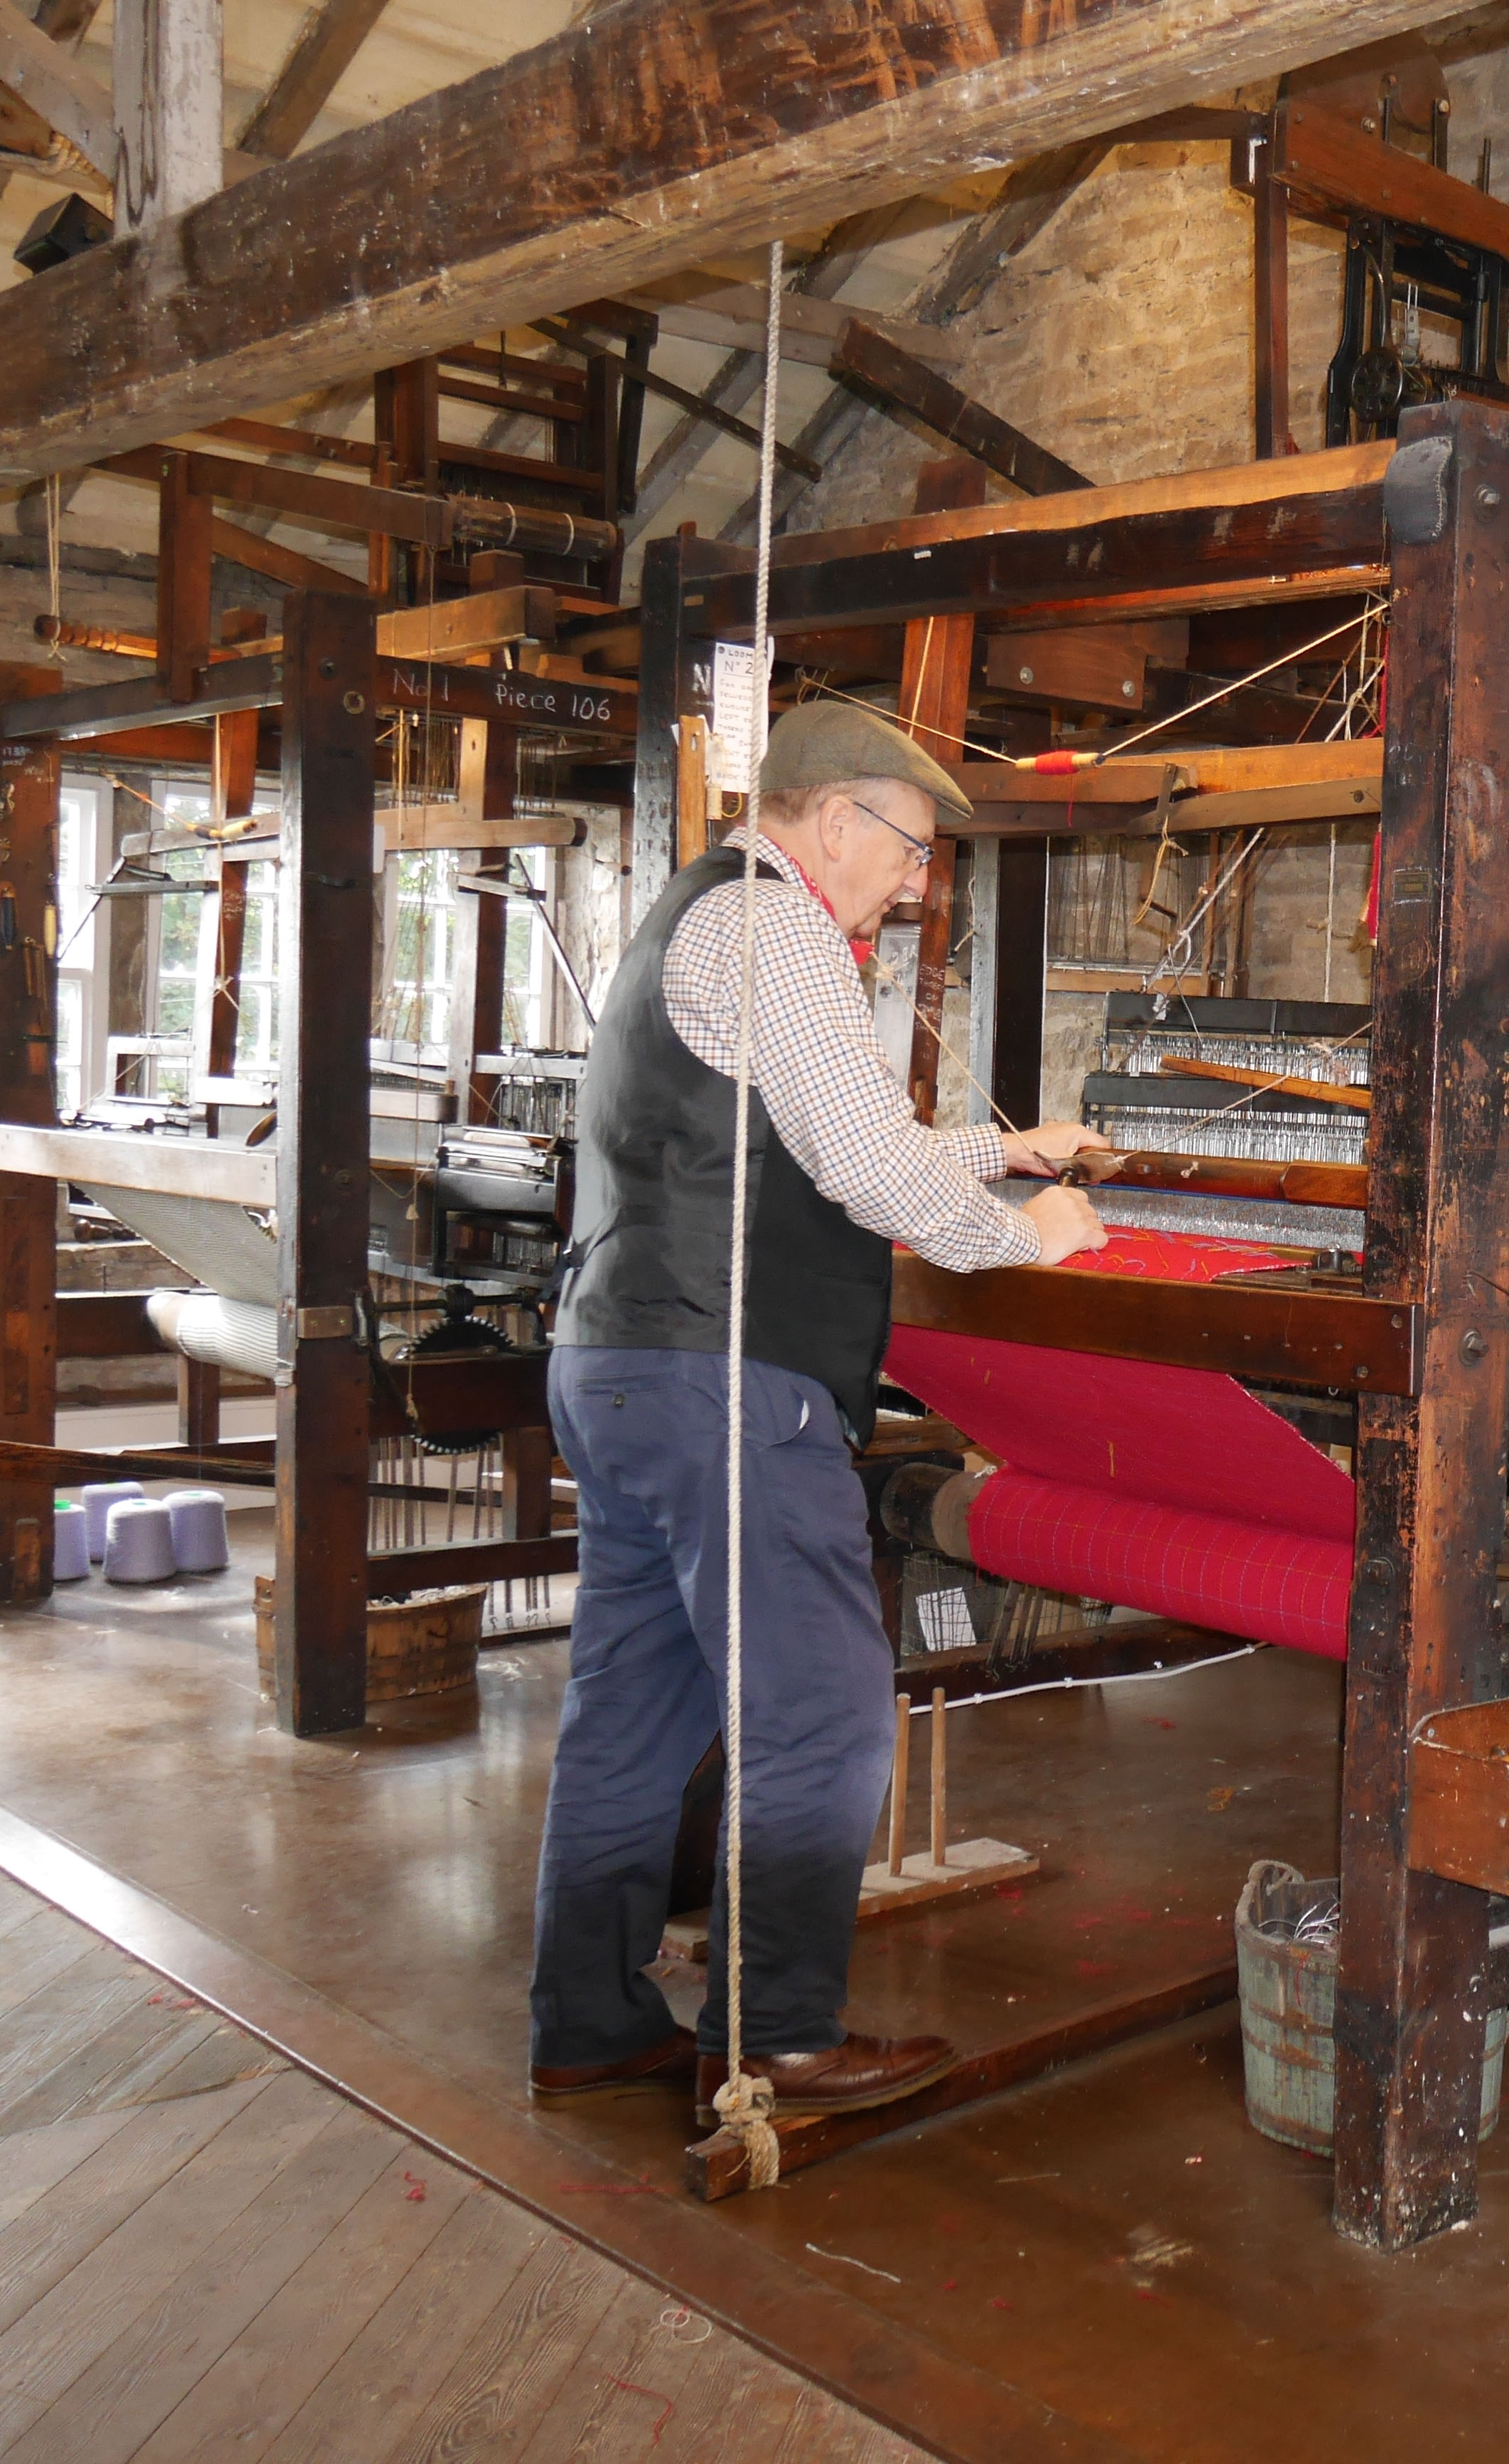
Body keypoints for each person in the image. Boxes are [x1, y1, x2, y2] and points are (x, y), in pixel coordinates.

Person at [525, 703, 1108, 2124]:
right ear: (834, 818)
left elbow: (798, 1121)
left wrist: (1003, 1148)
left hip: (619, 1362)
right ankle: (775, 2037)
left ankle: (589, 2021)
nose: (914, 884)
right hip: (728, 1380)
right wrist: (1034, 1233)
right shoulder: (780, 927)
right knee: (824, 1714)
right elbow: (857, 1166)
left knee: (633, 1712)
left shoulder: (690, 913)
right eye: (909, 849)